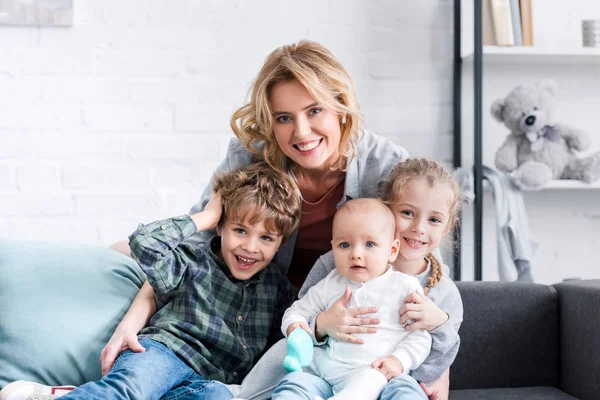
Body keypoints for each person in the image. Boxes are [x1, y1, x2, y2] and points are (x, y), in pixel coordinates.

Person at [57, 162, 300, 400]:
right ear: (220, 227)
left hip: (209, 382)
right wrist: (205, 216)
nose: (250, 247)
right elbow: (144, 245)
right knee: (127, 391)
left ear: (281, 244)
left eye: (266, 237)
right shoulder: (191, 262)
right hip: (163, 353)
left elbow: (281, 342)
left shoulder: (276, 287)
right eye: (240, 230)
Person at [234, 158, 462, 400]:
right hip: (326, 370)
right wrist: (322, 325)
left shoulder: (441, 291)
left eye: (434, 220)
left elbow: (437, 363)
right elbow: (303, 314)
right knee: (294, 382)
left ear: (447, 227)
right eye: (407, 213)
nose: (419, 227)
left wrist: (438, 324)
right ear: (386, 211)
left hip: (392, 380)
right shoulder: (337, 263)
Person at [273, 198, 432, 400]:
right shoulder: (330, 283)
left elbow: (421, 335)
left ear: (392, 250)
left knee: (407, 393)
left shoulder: (405, 287)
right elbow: (296, 312)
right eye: (345, 244)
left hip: (384, 379)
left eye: (370, 244)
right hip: (328, 378)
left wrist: (398, 360)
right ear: (333, 248)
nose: (356, 254)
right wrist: (295, 327)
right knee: (294, 384)